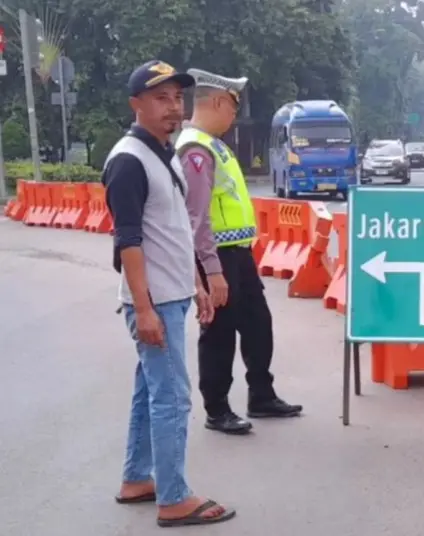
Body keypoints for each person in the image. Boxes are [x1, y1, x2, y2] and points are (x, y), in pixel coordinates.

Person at [103, 59, 235, 527]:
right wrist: (144, 309)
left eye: (177, 98)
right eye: (160, 98)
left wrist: (195, 283)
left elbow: (174, 230)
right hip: (153, 301)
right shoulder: (128, 160)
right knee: (173, 397)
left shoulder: (163, 152)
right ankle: (174, 496)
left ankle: (138, 477)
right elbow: (129, 241)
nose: (172, 107)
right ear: (136, 104)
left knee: (149, 391)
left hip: (171, 294)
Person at [176, 68, 303, 435]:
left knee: (257, 324)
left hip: (238, 254)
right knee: (218, 333)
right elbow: (195, 218)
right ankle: (217, 409)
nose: (234, 116)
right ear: (216, 102)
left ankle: (261, 394)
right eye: (232, 107)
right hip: (217, 256)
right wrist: (211, 271)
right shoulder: (196, 150)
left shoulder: (214, 145)